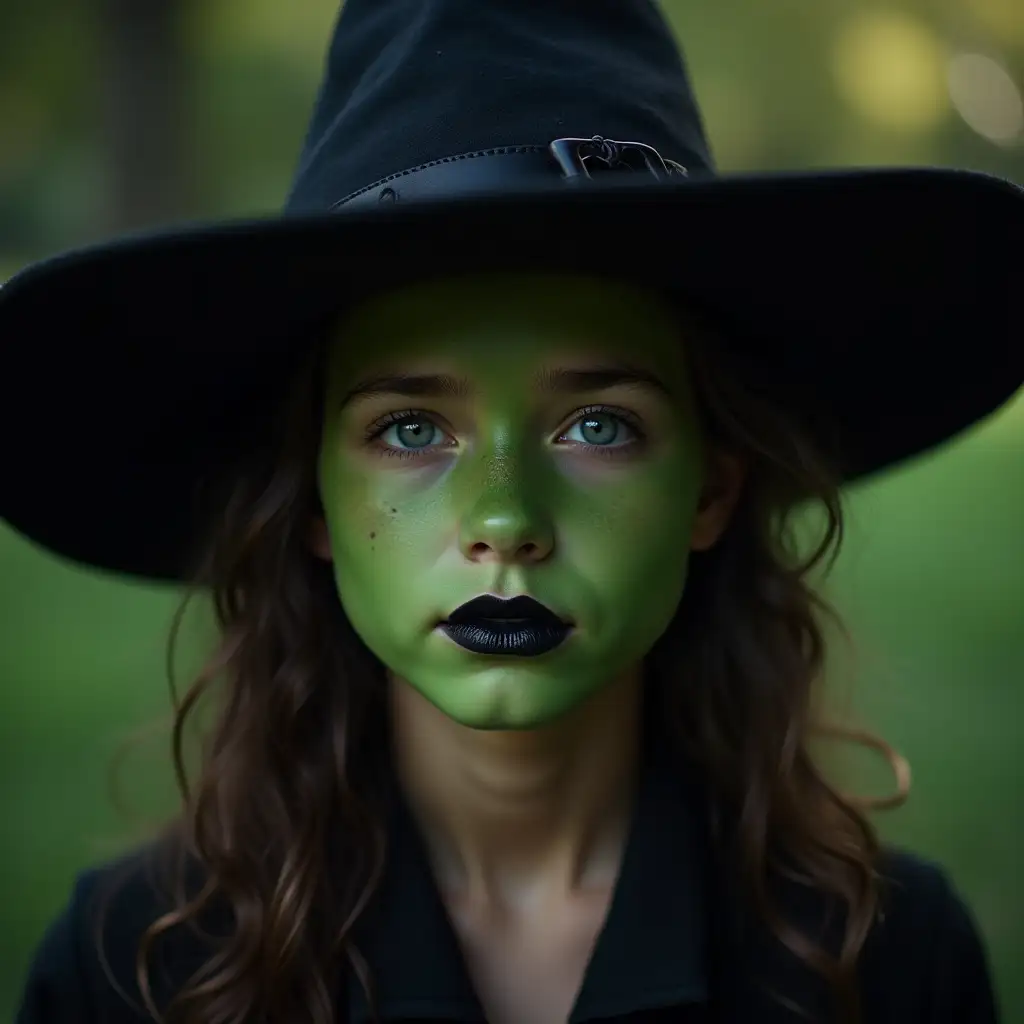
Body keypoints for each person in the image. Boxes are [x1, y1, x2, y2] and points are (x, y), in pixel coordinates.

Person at [3, 1, 1021, 1022]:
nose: (504, 521)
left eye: (595, 426)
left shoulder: (884, 962)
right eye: (409, 430)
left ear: (710, 490)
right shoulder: (132, 971)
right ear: (310, 495)